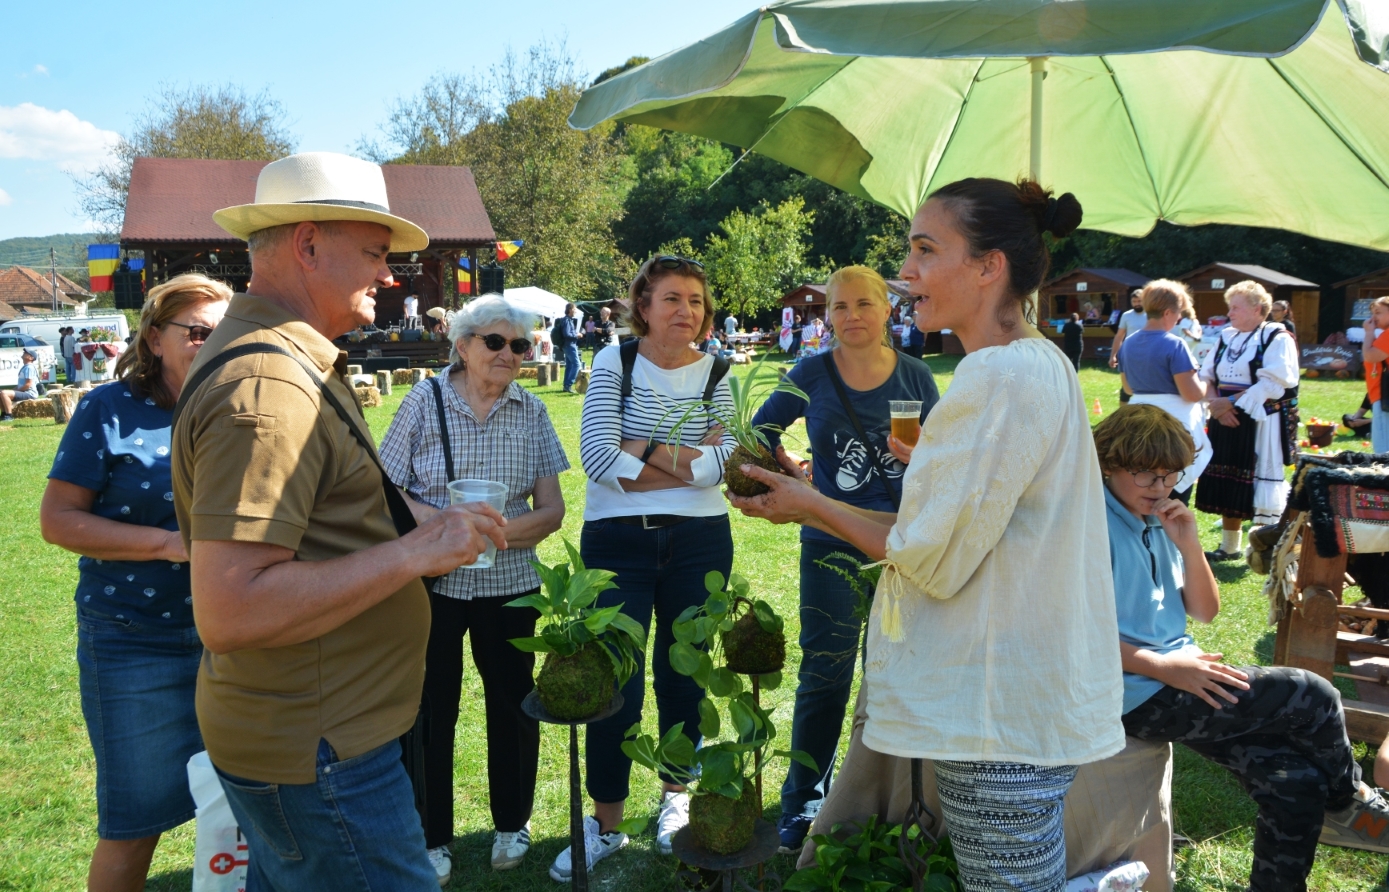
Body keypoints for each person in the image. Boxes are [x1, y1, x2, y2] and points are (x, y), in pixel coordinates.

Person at [729, 178, 1124, 892]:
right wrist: (811, 505)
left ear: (988, 266)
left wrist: (812, 504)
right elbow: (958, 534)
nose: (904, 272)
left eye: (924, 250)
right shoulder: (1041, 362)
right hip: (1022, 696)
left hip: (998, 713)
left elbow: (926, 557)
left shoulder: (998, 374)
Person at [171, 151, 507, 891]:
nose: (389, 276)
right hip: (321, 753)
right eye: (375, 253)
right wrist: (415, 554)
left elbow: (334, 509)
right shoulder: (269, 382)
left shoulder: (283, 357)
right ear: (308, 245)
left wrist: (432, 525)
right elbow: (231, 607)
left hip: (312, 738)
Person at [1094, 404, 1389, 889]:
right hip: (1134, 691)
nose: (1161, 487)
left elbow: (1205, 611)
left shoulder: (1159, 515)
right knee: (1312, 692)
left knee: (1294, 781)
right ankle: (1349, 801)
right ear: (1109, 464)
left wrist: (1189, 543)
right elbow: (1077, 634)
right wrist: (1165, 667)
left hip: (1175, 676)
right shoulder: (1090, 527)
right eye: (1146, 474)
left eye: (1171, 475)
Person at [39, 274, 231, 892]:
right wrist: (170, 545)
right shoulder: (108, 408)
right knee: (133, 820)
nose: (213, 344)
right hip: (134, 637)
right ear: (154, 339)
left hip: (237, 635)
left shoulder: (243, 405)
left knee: (255, 804)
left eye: (224, 332)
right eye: (197, 332)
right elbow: (58, 520)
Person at [749, 265, 939, 853]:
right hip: (830, 541)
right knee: (824, 674)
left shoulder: (915, 375)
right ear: (826, 315)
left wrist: (921, 458)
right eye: (839, 307)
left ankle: (886, 799)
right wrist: (795, 476)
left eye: (864, 304)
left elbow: (946, 455)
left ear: (888, 310)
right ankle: (804, 803)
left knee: (899, 671)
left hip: (904, 546)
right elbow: (759, 432)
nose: (852, 316)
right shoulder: (811, 372)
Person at [379, 296, 568, 883]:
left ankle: (512, 822)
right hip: (433, 583)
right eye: (495, 342)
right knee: (429, 707)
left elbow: (553, 510)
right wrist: (442, 527)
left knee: (514, 704)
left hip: (510, 584)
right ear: (462, 346)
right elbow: (385, 487)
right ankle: (430, 834)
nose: (510, 353)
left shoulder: (532, 410)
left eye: (520, 345)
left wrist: (492, 535)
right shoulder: (424, 400)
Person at [567, 254, 736, 881]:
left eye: (695, 300)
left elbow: (724, 465)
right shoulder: (616, 362)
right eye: (671, 298)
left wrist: (642, 449)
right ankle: (606, 822)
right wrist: (686, 461)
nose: (685, 310)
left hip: (700, 543)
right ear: (643, 305)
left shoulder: (718, 370)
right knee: (616, 679)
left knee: (684, 675)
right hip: (618, 543)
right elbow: (595, 455)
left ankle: (675, 799)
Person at [1194, 280, 1299, 562]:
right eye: (1230, 308)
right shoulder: (1226, 336)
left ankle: (1261, 550)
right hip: (1225, 417)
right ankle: (1229, 547)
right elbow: (1206, 376)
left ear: (1258, 309)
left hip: (1261, 420)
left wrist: (1228, 403)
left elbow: (1275, 383)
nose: (1229, 313)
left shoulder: (1276, 336)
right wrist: (1217, 406)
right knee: (1229, 479)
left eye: (1236, 308)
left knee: (1259, 480)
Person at [1118, 279, 1209, 506]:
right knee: (1172, 488)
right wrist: (1207, 383)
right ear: (1168, 312)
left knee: (1143, 481)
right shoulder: (1174, 344)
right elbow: (1192, 394)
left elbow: (1128, 388)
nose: (1179, 319)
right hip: (1174, 424)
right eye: (1178, 313)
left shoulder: (1128, 343)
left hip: (1138, 419)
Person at [1110, 288, 1147, 403]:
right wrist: (1113, 355)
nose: (1136, 304)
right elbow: (1119, 336)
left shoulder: (1152, 315)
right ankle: (1123, 411)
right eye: (1134, 302)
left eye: (1139, 301)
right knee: (1126, 385)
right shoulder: (1126, 316)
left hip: (1148, 355)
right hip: (1130, 355)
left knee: (1146, 383)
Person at [1363, 296, 1389, 454]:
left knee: (1383, 451)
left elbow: (1370, 356)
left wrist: (1368, 332)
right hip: (1382, 395)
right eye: (1372, 313)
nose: (1373, 317)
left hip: (1385, 396)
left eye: (1378, 312)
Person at [0, 348, 41, 418]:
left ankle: (9, 415)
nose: (24, 353)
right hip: (25, 392)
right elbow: (21, 385)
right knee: (1, 392)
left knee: (4, 393)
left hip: (30, 394)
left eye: (26, 353)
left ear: (31, 358)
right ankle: (4, 414)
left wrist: (16, 391)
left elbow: (28, 384)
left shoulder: (29, 368)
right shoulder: (26, 367)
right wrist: (13, 390)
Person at [560, 302, 582, 393]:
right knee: (577, 364)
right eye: (574, 309)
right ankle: (569, 384)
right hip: (569, 345)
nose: (575, 311)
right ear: (570, 310)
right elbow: (567, 334)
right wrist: (577, 335)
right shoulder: (567, 320)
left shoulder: (567, 320)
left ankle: (566, 386)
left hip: (568, 345)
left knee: (569, 366)